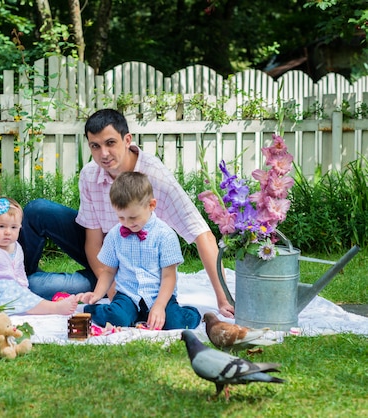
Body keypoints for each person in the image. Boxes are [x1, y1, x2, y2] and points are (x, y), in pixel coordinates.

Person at [19, 108, 235, 318]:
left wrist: (223, 298)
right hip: (105, 255)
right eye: (95, 146)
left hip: (134, 269)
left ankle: (27, 284)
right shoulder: (89, 175)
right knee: (37, 210)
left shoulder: (155, 176)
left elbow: (201, 233)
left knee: (37, 286)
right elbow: (92, 242)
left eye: (110, 143)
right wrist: (110, 286)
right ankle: (15, 276)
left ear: (127, 139)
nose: (103, 154)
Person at [77, 172, 201, 329]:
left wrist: (160, 306)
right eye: (121, 218)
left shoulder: (165, 235)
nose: (127, 223)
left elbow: (169, 277)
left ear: (151, 205)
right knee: (117, 318)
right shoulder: (115, 235)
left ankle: (191, 313)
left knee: (175, 323)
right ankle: (94, 310)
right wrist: (97, 294)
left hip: (159, 295)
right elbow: (108, 272)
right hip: (128, 295)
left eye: (133, 218)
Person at [0, 197, 78, 315]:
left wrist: (24, 288)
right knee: (16, 295)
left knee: (25, 296)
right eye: (1, 226)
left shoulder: (16, 247)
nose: (8, 232)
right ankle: (54, 308)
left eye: (13, 227)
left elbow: (19, 272)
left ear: (20, 228)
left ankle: (43, 306)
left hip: (13, 289)